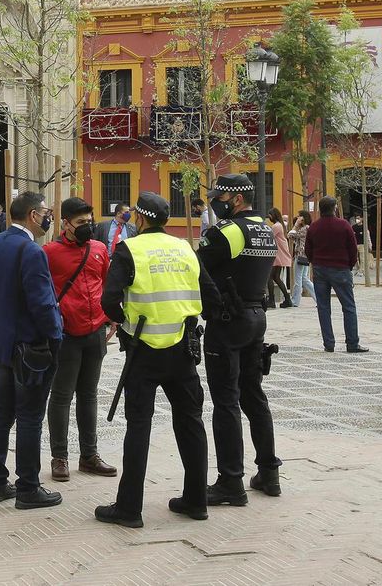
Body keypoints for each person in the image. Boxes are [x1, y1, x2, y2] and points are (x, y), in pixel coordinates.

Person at [95, 191, 208, 529]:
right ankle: (196, 500)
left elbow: (110, 300)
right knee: (191, 422)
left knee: (139, 427)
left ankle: (129, 508)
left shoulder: (129, 249)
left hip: (142, 351)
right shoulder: (185, 247)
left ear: (140, 219)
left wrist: (126, 323)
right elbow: (209, 292)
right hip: (183, 350)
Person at [197, 174, 283, 505]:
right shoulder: (264, 227)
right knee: (253, 396)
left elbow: (197, 267)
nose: (214, 201)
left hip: (228, 322)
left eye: (218, 196)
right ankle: (269, 473)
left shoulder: (227, 231)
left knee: (226, 401)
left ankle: (230, 481)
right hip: (256, 318)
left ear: (234, 199)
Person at [0, 191, 62, 510]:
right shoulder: (31, 251)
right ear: (31, 214)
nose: (48, 217)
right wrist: (56, 337)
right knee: (29, 416)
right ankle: (29, 486)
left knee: (2, 413)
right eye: (45, 212)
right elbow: (41, 303)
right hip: (28, 347)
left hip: (0, 341)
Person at [42, 197, 116, 483]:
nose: (87, 226)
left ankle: (89, 456)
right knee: (61, 396)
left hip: (95, 332)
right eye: (81, 222)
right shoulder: (50, 252)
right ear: (66, 224)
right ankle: (59, 457)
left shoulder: (99, 249)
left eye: (90, 221)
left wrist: (111, 318)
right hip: (66, 335)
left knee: (89, 395)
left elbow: (106, 285)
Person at [304, 197, 365, 353]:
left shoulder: (314, 227)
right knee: (349, 306)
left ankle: (328, 343)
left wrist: (315, 262)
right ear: (335, 208)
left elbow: (308, 250)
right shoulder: (344, 225)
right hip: (341, 269)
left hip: (320, 269)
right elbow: (352, 249)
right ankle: (352, 343)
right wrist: (349, 265)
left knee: (323, 307)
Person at [287, 211, 313, 307]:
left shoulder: (304, 229)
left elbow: (290, 236)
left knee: (298, 280)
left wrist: (296, 225)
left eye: (299, 217)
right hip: (305, 256)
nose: (297, 218)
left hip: (300, 256)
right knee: (305, 279)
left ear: (303, 218)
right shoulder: (307, 228)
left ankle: (295, 301)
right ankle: (318, 298)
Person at [267, 208, 291, 309]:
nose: (269, 217)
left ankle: (272, 300)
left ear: (274, 215)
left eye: (270, 215)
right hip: (280, 255)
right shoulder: (281, 225)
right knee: (276, 277)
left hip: (277, 255)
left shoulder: (276, 226)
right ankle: (287, 299)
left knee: (269, 278)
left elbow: (269, 237)